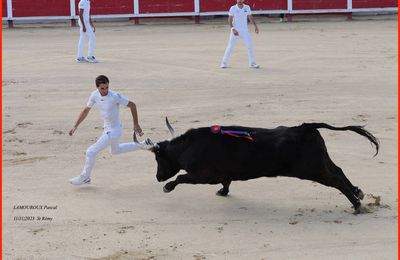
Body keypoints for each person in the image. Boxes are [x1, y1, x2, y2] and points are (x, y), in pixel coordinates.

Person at [68, 75, 147, 185]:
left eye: (107, 88)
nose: (105, 90)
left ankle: (85, 177)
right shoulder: (94, 95)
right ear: (97, 87)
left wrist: (136, 123)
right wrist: (75, 126)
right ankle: (143, 144)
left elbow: (132, 105)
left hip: (114, 131)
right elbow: (86, 111)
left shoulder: (115, 96)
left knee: (90, 152)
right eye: (102, 88)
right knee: (115, 151)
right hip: (107, 129)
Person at [221, 0, 260, 69]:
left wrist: (255, 26)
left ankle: (252, 63)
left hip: (245, 30)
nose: (239, 1)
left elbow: (250, 17)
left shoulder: (247, 7)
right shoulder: (233, 8)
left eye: (241, 0)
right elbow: (229, 20)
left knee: (250, 45)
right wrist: (233, 29)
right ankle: (224, 62)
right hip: (235, 30)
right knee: (230, 46)